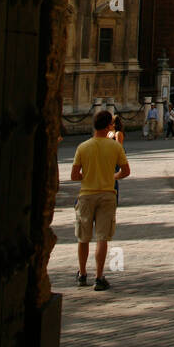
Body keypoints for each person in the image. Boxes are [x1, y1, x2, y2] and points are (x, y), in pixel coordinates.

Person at [71, 109, 131, 291]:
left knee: (83, 237)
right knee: (102, 237)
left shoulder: (83, 147)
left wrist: (88, 176)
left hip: (86, 194)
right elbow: (126, 171)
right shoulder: (115, 147)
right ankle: (99, 276)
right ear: (108, 126)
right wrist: (113, 176)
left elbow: (74, 175)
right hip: (107, 194)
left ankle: (82, 274)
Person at [107, 113, 125, 205]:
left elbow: (119, 147)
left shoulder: (118, 133)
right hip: (107, 158)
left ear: (114, 124)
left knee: (113, 177)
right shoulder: (109, 133)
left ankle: (115, 199)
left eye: (110, 123)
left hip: (114, 158)